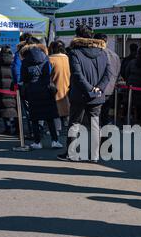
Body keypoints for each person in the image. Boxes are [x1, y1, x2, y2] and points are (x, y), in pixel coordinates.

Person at [57, 25, 110, 162]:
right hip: (97, 96)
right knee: (95, 124)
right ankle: (95, 155)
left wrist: (89, 88)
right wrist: (98, 88)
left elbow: (77, 75)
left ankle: (72, 153)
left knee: (75, 123)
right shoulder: (103, 52)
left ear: (77, 36)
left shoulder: (74, 53)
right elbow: (108, 74)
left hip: (80, 94)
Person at [20, 42, 61, 149]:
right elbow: (48, 74)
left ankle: (37, 142)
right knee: (49, 118)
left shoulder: (25, 62)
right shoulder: (45, 58)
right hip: (46, 90)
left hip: (32, 91)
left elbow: (24, 78)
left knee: (34, 118)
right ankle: (55, 141)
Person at [94, 33, 121, 127]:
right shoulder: (115, 55)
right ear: (107, 42)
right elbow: (117, 73)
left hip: (97, 89)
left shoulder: (97, 54)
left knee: (95, 115)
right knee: (105, 113)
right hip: (110, 89)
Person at [0, 46, 18, 135]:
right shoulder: (14, 62)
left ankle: (8, 128)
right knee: (15, 108)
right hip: (13, 89)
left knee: (4, 108)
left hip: (1, 89)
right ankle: (17, 128)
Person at [48, 40, 71, 129]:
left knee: (55, 111)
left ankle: (57, 129)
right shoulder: (68, 58)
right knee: (67, 108)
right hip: (68, 88)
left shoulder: (50, 59)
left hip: (54, 89)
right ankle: (68, 126)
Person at [125, 47, 141, 123]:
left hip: (131, 84)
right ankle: (138, 118)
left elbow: (126, 72)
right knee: (139, 103)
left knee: (130, 102)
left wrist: (128, 80)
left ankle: (128, 118)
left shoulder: (132, 62)